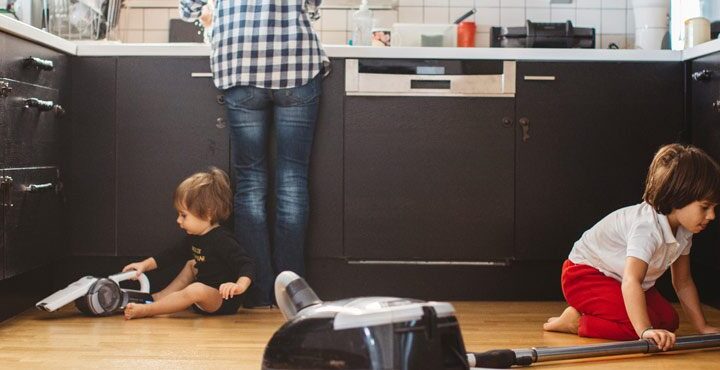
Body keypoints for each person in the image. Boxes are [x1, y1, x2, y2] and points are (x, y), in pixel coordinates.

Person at [180, 0, 328, 308]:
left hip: (240, 63)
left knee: (249, 182)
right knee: (293, 178)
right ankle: (292, 293)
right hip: (295, 63)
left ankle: (259, 292)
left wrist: (204, 14)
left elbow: (190, 7)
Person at [543, 143, 720, 351]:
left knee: (669, 321)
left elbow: (682, 282)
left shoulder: (685, 230)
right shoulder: (647, 228)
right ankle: (575, 321)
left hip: (621, 279)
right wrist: (644, 330)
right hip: (584, 275)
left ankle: (602, 318)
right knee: (637, 328)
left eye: (715, 208)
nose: (712, 216)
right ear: (677, 198)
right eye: (705, 207)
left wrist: (702, 326)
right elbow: (631, 281)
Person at [122, 168, 255, 319]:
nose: (178, 220)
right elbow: (169, 255)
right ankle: (158, 298)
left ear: (208, 212)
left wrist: (239, 286)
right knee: (191, 265)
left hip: (221, 300)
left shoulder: (222, 240)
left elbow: (246, 265)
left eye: (183, 215)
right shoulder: (195, 237)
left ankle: (149, 310)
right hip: (204, 292)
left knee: (195, 289)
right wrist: (144, 265)